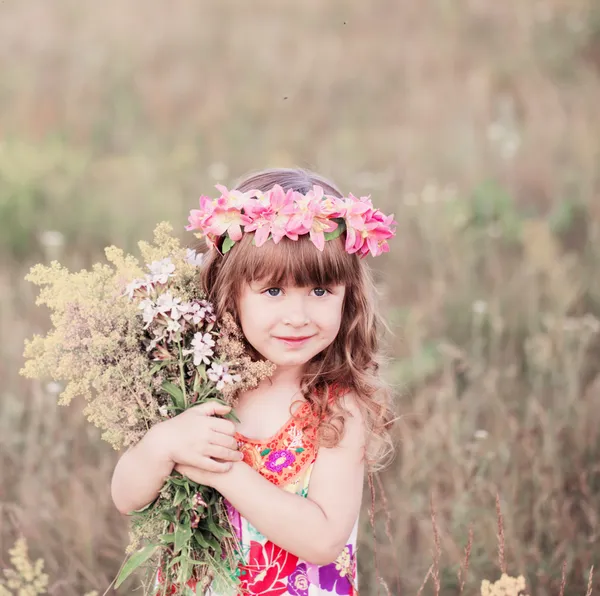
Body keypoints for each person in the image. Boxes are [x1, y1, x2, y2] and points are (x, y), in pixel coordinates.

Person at [111, 167, 397, 595]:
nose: (297, 317)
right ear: (232, 292)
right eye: (273, 292)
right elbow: (126, 497)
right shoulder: (198, 382)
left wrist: (224, 473)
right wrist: (163, 444)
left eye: (320, 292)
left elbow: (322, 540)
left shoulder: (336, 408)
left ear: (348, 297)